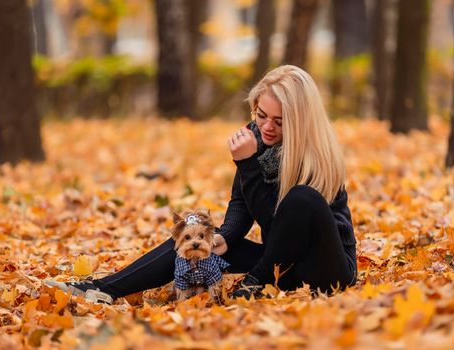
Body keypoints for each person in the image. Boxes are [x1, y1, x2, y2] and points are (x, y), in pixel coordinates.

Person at [46, 65, 357, 303]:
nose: (266, 127)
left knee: (302, 198)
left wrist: (246, 164)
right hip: (283, 266)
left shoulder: (316, 154)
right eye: (261, 115)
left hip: (326, 270)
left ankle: (255, 282)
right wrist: (225, 236)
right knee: (194, 239)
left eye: (279, 121)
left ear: (300, 121)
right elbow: (242, 202)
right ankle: (103, 289)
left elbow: (278, 220)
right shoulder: (257, 139)